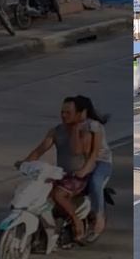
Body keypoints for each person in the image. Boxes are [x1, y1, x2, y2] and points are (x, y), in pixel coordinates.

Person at [16, 97, 93, 244]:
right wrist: (25, 163)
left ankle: (77, 222)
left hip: (78, 176)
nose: (64, 115)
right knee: (36, 191)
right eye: (62, 112)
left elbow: (77, 151)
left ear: (78, 114)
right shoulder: (55, 131)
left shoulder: (85, 133)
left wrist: (75, 129)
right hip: (61, 174)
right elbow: (39, 151)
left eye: (68, 113)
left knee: (57, 194)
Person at [73, 95, 113, 243]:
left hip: (101, 163)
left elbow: (92, 153)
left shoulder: (93, 126)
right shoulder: (70, 125)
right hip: (80, 163)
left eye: (75, 111)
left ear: (83, 111)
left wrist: (84, 169)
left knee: (95, 182)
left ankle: (99, 216)